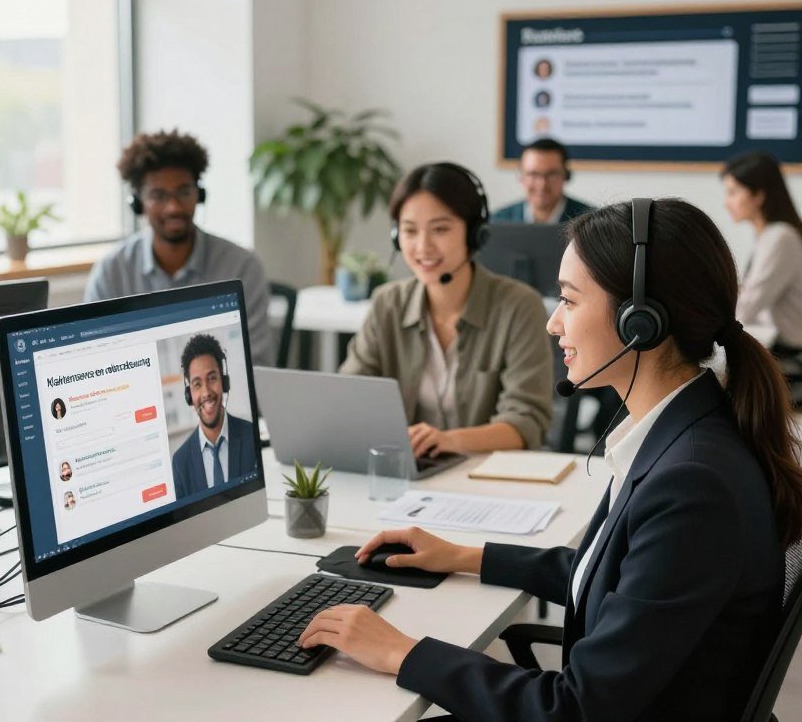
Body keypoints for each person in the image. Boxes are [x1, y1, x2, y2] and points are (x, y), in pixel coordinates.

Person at [299, 198, 802, 721]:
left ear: (640, 321)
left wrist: (401, 651)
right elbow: (611, 574)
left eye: (569, 300)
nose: (553, 324)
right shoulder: (680, 435)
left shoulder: (694, 483)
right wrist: (464, 556)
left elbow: (574, 709)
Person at [341, 162, 554, 457]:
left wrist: (449, 441)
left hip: (487, 478)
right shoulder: (387, 303)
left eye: (440, 229)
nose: (423, 247)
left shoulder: (518, 306)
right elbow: (351, 395)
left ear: (474, 234)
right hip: (408, 475)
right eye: (410, 231)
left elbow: (527, 421)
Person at [84, 129, 273, 366]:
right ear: (138, 203)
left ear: (200, 195)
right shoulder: (112, 272)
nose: (173, 207)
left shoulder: (242, 267)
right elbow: (95, 360)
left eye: (184, 192)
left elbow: (255, 363)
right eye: (158, 195)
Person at [721, 151, 802, 351]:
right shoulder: (770, 236)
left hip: (787, 352)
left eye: (733, 192)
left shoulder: (780, 237)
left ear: (758, 196)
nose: (726, 202)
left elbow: (746, 310)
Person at [171, 333, 257, 499]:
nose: (206, 393)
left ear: (224, 382)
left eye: (212, 379)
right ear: (189, 394)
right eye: (197, 384)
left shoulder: (251, 438)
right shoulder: (180, 462)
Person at [493, 138, 592, 225]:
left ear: (566, 175)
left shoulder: (590, 222)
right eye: (533, 174)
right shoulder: (497, 222)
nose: (542, 185)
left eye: (551, 174)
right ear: (520, 177)